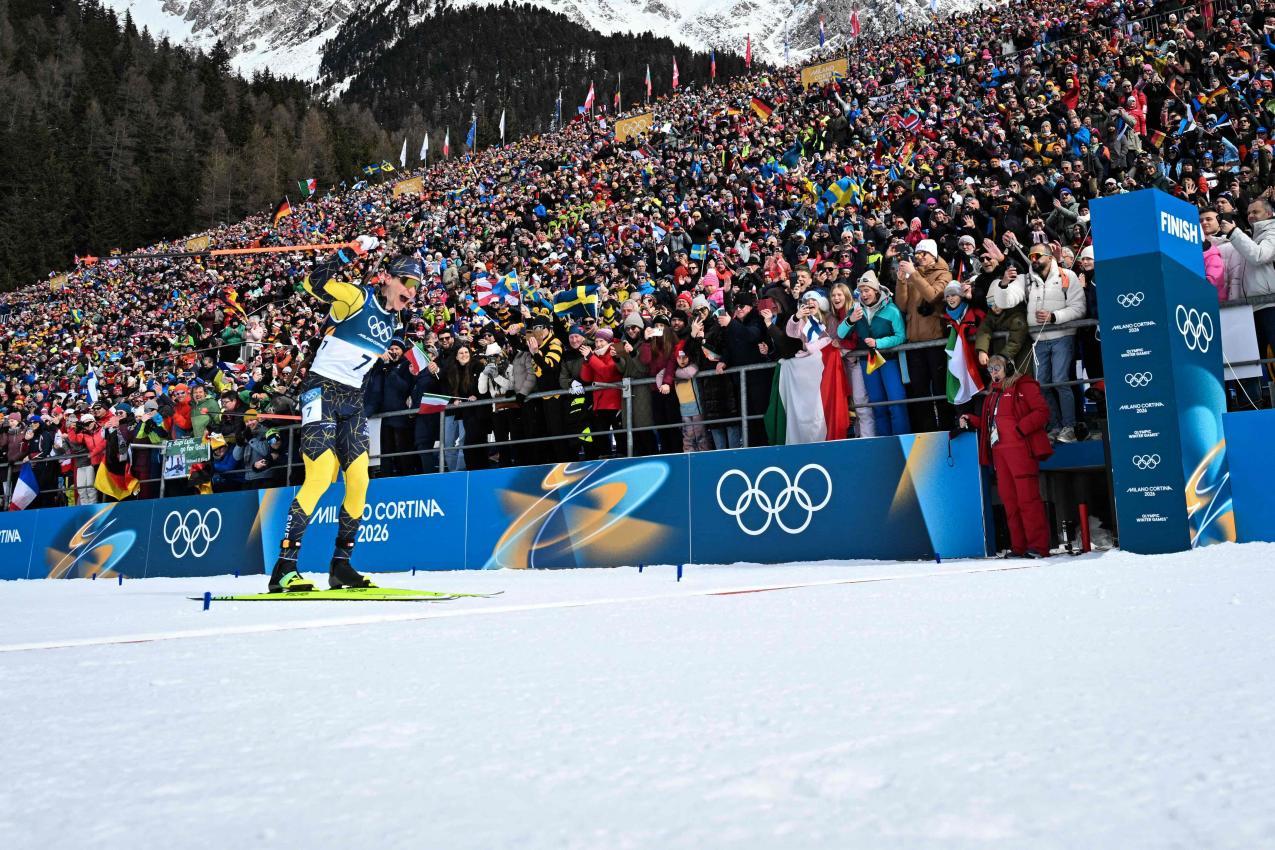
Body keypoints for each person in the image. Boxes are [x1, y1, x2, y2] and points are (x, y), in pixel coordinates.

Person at [268, 237, 419, 593]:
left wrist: (397, 347)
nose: (411, 292)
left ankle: (341, 566)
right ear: (388, 279)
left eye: (417, 286)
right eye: (406, 283)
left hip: (353, 400)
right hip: (321, 390)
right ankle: (284, 568)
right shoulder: (357, 297)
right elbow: (312, 284)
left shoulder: (398, 316)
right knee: (320, 475)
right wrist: (349, 252)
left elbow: (400, 336)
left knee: (359, 481)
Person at [960, 354, 1053, 559]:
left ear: (1008, 368)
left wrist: (1021, 430)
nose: (993, 373)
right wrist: (971, 420)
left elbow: (1042, 411)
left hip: (1020, 452)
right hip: (1000, 454)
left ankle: (1038, 547)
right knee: (1010, 503)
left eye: (997, 368)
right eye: (990, 369)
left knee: (1028, 501)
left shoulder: (1024, 385)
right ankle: (1019, 547)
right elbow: (988, 424)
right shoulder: (992, 393)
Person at [1019, 242, 1086, 443]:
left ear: (1049, 257)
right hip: (1038, 340)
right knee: (1042, 386)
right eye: (1031, 256)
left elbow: (1079, 308)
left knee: (1061, 382)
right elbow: (1010, 297)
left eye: (1037, 255)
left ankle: (1070, 427)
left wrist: (1054, 316)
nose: (1033, 259)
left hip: (1062, 336)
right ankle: (1055, 426)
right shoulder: (1029, 280)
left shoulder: (1068, 276)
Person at [838, 271, 909, 436]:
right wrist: (851, 320)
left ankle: (902, 439)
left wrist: (879, 343)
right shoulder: (856, 310)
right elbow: (840, 333)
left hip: (888, 359)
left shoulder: (891, 309)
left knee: (896, 401)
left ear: (876, 290)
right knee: (877, 403)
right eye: (861, 291)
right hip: (867, 361)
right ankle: (884, 441)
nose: (864, 294)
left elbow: (901, 336)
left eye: (867, 290)